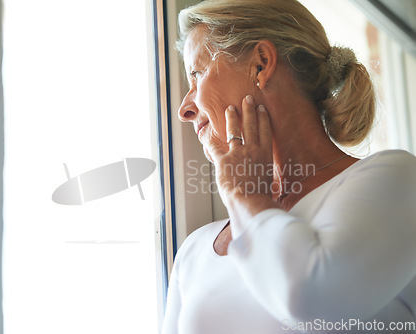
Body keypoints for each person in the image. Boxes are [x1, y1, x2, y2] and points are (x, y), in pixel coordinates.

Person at [161, 0, 416, 333]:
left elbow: (314, 303)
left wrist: (243, 192)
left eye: (197, 74)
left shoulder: (397, 179)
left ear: (261, 64)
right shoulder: (194, 251)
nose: (184, 109)